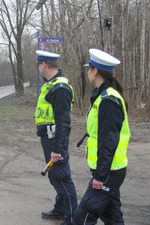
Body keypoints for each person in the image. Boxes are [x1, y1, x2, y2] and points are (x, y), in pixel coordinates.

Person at [74, 48, 130, 225]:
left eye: (88, 69)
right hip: (110, 169)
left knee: (83, 216)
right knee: (112, 216)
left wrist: (100, 176)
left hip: (109, 171)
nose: (88, 72)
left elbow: (109, 142)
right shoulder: (103, 97)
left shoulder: (108, 101)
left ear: (95, 70)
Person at [35, 50, 78, 225]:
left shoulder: (59, 88)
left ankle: (72, 218)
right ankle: (60, 209)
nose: (38, 68)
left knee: (61, 177)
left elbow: (63, 122)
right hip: (49, 137)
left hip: (55, 139)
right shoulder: (51, 85)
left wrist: (57, 149)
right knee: (55, 176)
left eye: (39, 64)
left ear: (44, 64)